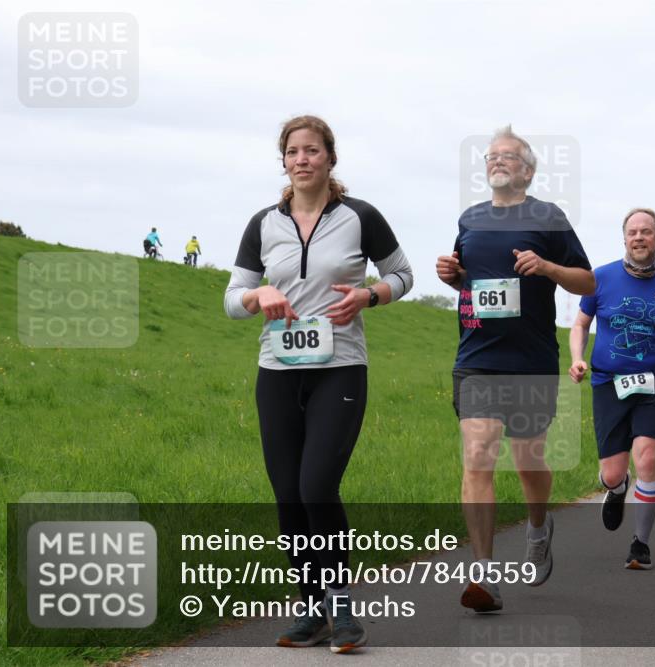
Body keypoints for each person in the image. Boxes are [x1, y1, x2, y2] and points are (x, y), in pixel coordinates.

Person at [224, 115, 413, 653]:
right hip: (278, 372)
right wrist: (257, 296)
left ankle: (341, 608)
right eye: (292, 151)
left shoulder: (360, 217)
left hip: (340, 368)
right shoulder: (264, 223)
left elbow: (402, 273)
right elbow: (232, 298)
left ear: (331, 158)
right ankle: (311, 610)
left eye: (312, 150)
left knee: (316, 488)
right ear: (283, 161)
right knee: (288, 496)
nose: (302, 159)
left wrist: (369, 296)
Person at [435, 125, 593, 613]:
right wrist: (453, 276)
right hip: (478, 358)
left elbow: (586, 281)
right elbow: (470, 280)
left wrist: (547, 268)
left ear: (528, 169)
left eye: (508, 156)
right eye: (490, 156)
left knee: (528, 462)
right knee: (478, 452)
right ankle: (484, 574)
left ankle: (539, 525)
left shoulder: (548, 217)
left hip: (531, 361)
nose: (497, 161)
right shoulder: (471, 218)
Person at [569, 207, 655, 570]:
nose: (639, 237)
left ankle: (640, 544)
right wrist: (577, 358)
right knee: (611, 473)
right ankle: (617, 487)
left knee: (648, 457)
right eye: (632, 232)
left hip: (653, 382)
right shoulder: (600, 278)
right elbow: (580, 324)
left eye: (646, 231)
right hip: (607, 382)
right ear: (624, 238)